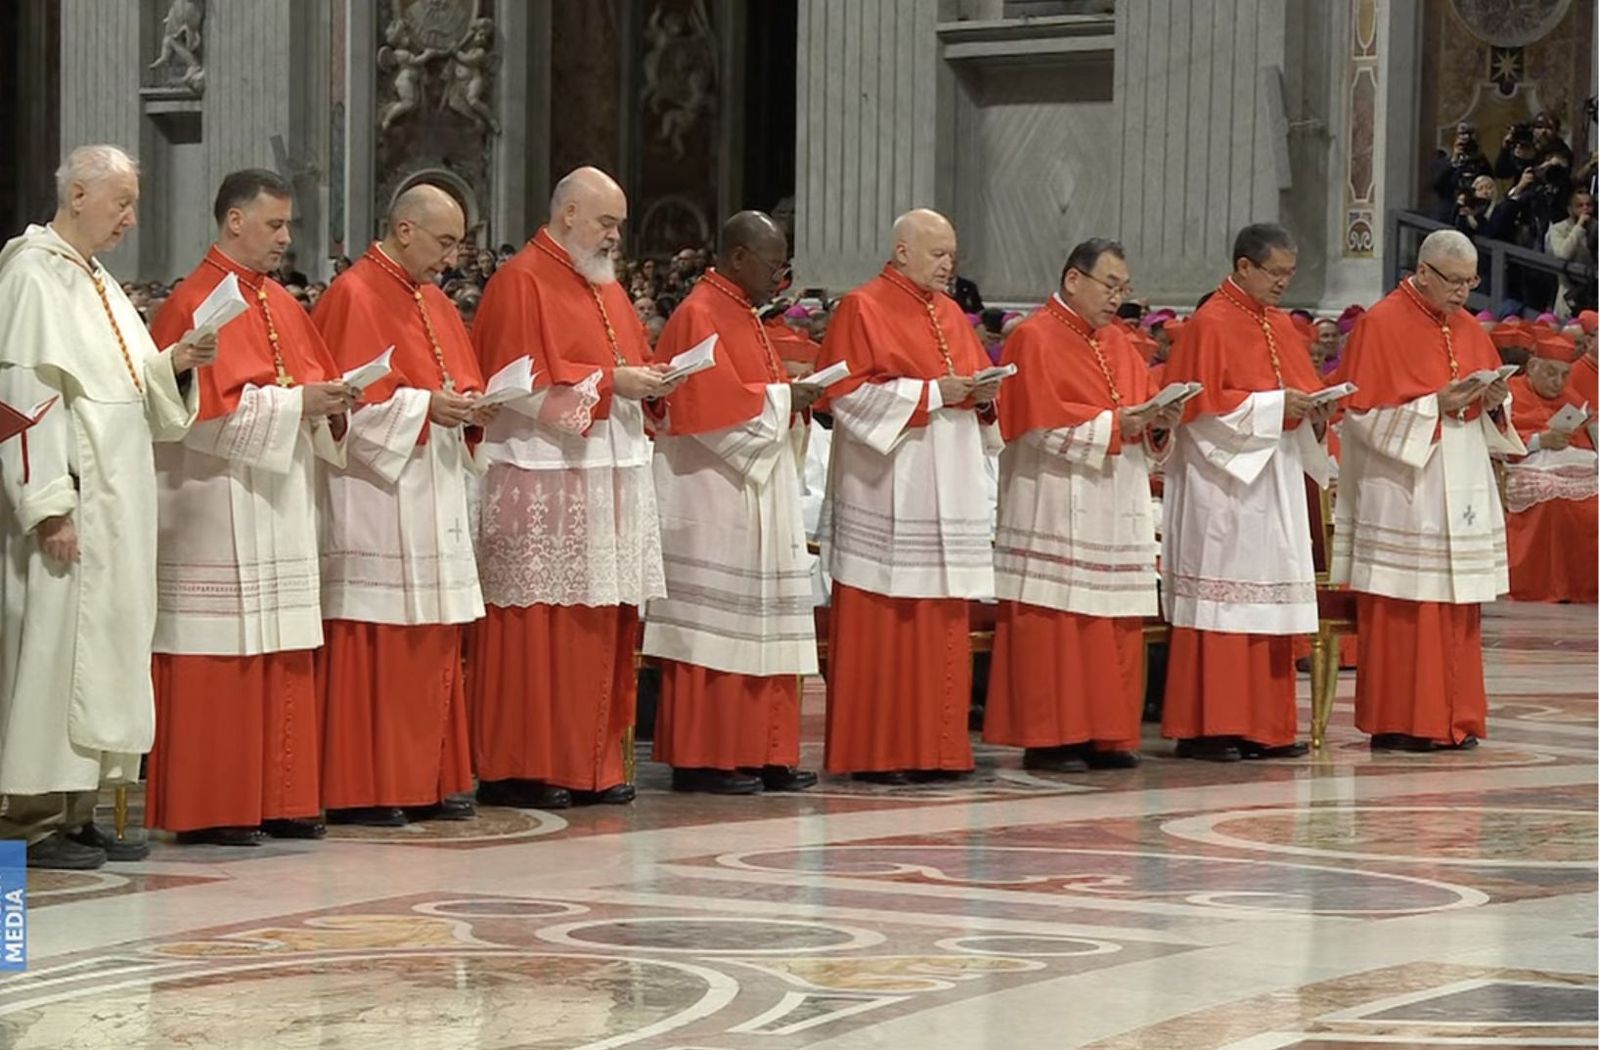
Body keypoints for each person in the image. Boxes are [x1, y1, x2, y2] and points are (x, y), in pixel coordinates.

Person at [0, 145, 208, 869]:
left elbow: (133, 392)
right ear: (78, 193)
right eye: (120, 204)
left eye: (132, 206)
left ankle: (82, 805)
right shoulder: (31, 276)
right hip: (71, 509)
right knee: (55, 657)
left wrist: (174, 365)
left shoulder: (96, 282)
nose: (128, 219)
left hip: (117, 507)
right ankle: (31, 816)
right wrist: (48, 504)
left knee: (101, 653)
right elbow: (21, 403)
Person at [145, 169, 356, 845]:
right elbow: (196, 419)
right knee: (222, 652)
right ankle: (214, 806)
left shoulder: (281, 304)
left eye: (288, 225)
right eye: (275, 225)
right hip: (214, 504)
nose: (286, 239)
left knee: (280, 645)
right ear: (234, 221)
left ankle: (279, 796)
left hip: (276, 497)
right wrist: (300, 404)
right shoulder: (195, 302)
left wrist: (331, 400)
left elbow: (304, 383)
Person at [468, 167, 677, 809]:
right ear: (569, 215)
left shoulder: (604, 286)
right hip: (542, 475)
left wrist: (652, 381)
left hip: (606, 474)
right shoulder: (521, 281)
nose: (616, 236)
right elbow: (514, 387)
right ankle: (525, 766)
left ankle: (592, 766)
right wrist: (615, 382)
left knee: (597, 623)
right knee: (541, 626)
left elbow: (619, 368)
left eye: (618, 224)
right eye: (606, 223)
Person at [311, 183, 495, 827]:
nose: (451, 257)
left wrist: (472, 404)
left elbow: (457, 377)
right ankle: (369, 786)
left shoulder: (435, 301)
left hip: (431, 485)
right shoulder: (353, 295)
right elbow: (341, 412)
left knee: (434, 635)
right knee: (380, 638)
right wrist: (424, 406)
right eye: (445, 242)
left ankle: (431, 779)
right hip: (376, 496)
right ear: (405, 228)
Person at [813, 209, 1001, 784]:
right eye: (938, 253)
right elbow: (844, 397)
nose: (950, 264)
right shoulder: (862, 307)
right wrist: (932, 393)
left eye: (953, 253)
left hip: (946, 481)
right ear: (901, 252)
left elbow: (966, 388)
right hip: (888, 485)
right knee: (887, 619)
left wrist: (984, 397)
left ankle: (939, 749)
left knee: (940, 616)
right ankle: (879, 751)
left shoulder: (949, 313)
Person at [642, 211, 820, 794]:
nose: (781, 277)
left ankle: (764, 750)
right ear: (739, 256)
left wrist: (787, 397)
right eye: (774, 265)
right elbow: (709, 408)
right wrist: (785, 397)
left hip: (755, 491)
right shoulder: (700, 313)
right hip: (713, 494)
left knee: (763, 621)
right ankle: (706, 757)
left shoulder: (743, 313)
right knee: (714, 629)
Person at [984, 238, 1175, 771]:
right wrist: (1120, 425)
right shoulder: (1033, 337)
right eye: (1109, 285)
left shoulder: (1117, 343)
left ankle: (1106, 733)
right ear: (1073, 280)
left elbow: (1137, 414)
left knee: (1109, 617)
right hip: (1054, 496)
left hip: (1113, 495)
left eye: (1123, 288)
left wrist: (1158, 424)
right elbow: (1040, 424)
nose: (1117, 299)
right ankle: (1053, 737)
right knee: (1060, 620)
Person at [1332, 230, 1523, 751]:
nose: (1464, 293)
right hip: (1404, 484)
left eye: (1471, 281)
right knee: (1409, 605)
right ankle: (1404, 720)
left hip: (1459, 475)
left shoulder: (1466, 327)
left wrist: (1492, 400)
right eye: (1455, 281)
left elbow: (1487, 412)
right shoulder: (1380, 324)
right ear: (1423, 272)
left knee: (1457, 605)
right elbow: (1361, 415)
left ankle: (1457, 717)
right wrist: (1431, 407)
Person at [1159, 223, 1333, 762]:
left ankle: (1267, 726)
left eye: (1289, 273)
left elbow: (1293, 395)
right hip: (1223, 486)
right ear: (1243, 267)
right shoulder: (1209, 325)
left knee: (1270, 601)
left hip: (1274, 477)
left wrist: (1315, 410)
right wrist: (1278, 408)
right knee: (1225, 602)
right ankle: (1211, 726)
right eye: (1275, 272)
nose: (1284, 283)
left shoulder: (1281, 325)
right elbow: (1201, 416)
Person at [1503, 333, 1596, 603]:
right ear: (1532, 367)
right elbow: (1496, 440)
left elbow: (1587, 438)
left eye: (1565, 375)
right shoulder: (1509, 394)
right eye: (1551, 373)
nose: (1559, 383)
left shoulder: (1572, 397)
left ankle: (1586, 587)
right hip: (1524, 465)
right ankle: (1548, 585)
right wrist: (1539, 440)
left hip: (1573, 463)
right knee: (1552, 497)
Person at [1546, 190, 1596, 318]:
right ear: (1570, 209)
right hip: (1569, 294)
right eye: (1580, 206)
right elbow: (1562, 254)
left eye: (1588, 205)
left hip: (1594, 293)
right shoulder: (1558, 229)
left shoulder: (1597, 227)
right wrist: (1579, 227)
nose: (1585, 209)